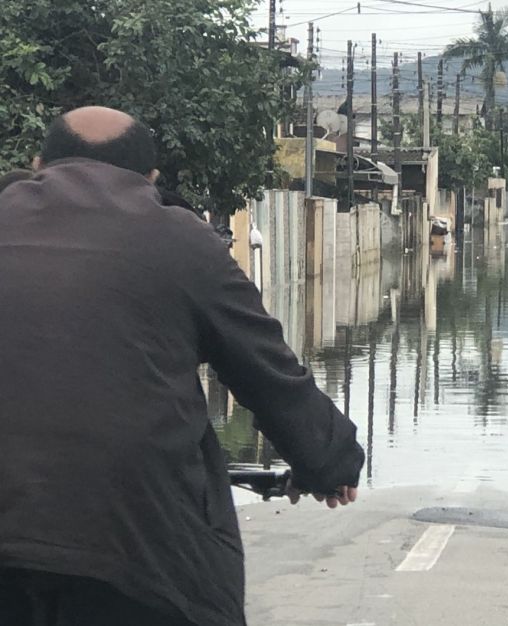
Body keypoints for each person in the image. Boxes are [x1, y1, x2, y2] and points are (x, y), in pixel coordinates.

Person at [0, 106, 364, 626]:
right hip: (135, 557)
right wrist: (331, 462)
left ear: (38, 163)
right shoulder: (181, 239)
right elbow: (267, 373)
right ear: (149, 179)